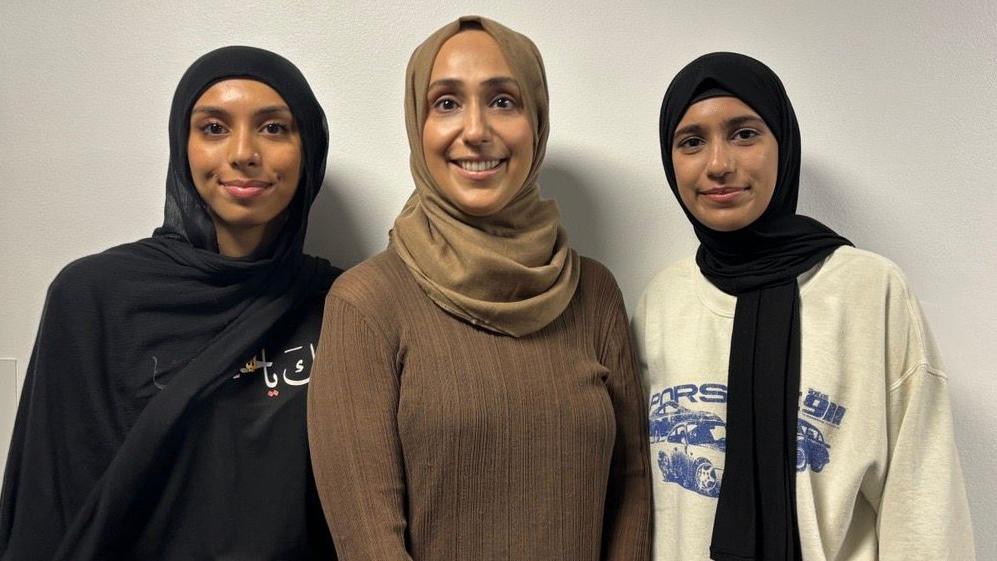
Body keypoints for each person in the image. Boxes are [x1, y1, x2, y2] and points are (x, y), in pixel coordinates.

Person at [308, 16, 651, 561]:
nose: (475, 130)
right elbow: (369, 544)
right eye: (446, 103)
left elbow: (633, 490)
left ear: (536, 123)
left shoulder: (595, 293)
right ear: (416, 125)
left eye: (503, 101)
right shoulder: (366, 303)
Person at [0, 46, 339, 560]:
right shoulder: (95, 298)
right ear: (183, 148)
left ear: (308, 149)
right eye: (213, 128)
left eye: (274, 128)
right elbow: (49, 507)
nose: (243, 151)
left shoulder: (342, 306)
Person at [634, 51, 975, 560]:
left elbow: (924, 505)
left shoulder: (868, 291)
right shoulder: (661, 301)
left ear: (783, 145)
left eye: (745, 133)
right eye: (691, 142)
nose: (719, 164)